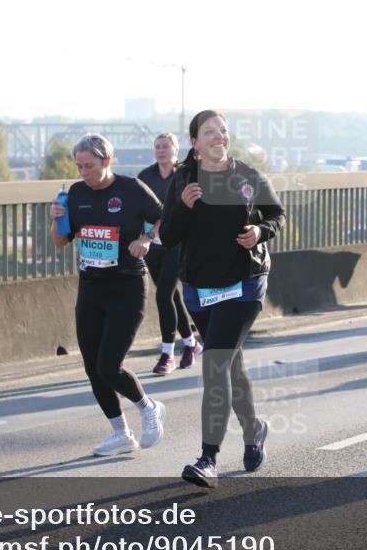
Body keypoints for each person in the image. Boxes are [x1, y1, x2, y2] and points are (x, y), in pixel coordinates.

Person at [160, 110, 285, 488]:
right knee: (230, 365)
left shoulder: (246, 175)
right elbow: (168, 235)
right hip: (200, 289)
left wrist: (260, 232)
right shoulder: (183, 179)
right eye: (210, 132)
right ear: (195, 142)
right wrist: (183, 206)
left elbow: (277, 214)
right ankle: (254, 429)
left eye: (224, 131)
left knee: (215, 364)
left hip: (245, 283)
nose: (219, 137)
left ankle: (208, 459)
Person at [49, 134, 167, 456]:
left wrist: (146, 238)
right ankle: (121, 434)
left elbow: (164, 216)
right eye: (79, 166)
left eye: (89, 165)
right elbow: (61, 242)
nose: (84, 172)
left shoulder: (131, 189)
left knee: (109, 366)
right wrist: (57, 220)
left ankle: (149, 408)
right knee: (92, 367)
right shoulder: (75, 193)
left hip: (127, 286)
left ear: (107, 161)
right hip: (91, 289)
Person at [137, 133, 202, 375]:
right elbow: (138, 208)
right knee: (172, 297)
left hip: (177, 244)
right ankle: (191, 344)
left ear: (176, 150)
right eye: (157, 146)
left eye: (166, 146)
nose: (161, 150)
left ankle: (167, 354)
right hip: (152, 246)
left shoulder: (184, 175)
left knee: (163, 295)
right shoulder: (145, 176)